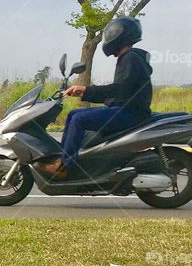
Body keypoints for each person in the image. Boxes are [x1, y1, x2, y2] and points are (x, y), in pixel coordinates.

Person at [40, 16, 152, 179]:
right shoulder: (130, 57)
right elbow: (121, 92)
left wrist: (86, 90)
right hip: (126, 109)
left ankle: (64, 167)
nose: (109, 38)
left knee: (79, 120)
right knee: (73, 114)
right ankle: (63, 158)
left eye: (112, 34)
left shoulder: (131, 58)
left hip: (130, 113)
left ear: (121, 35)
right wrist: (85, 93)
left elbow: (119, 89)